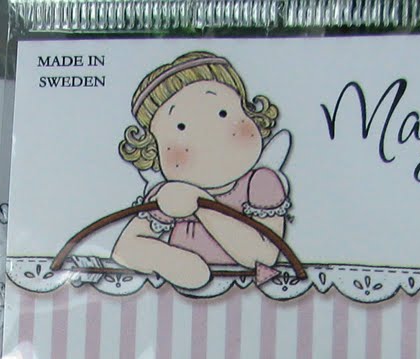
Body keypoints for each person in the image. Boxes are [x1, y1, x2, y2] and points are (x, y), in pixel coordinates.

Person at [112, 51, 290, 290]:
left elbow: (264, 255)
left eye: (222, 114)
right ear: (155, 151)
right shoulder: (172, 194)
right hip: (181, 302)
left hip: (249, 296)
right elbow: (125, 249)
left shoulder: (261, 182)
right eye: (181, 127)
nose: (209, 137)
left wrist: (202, 205)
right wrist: (178, 264)